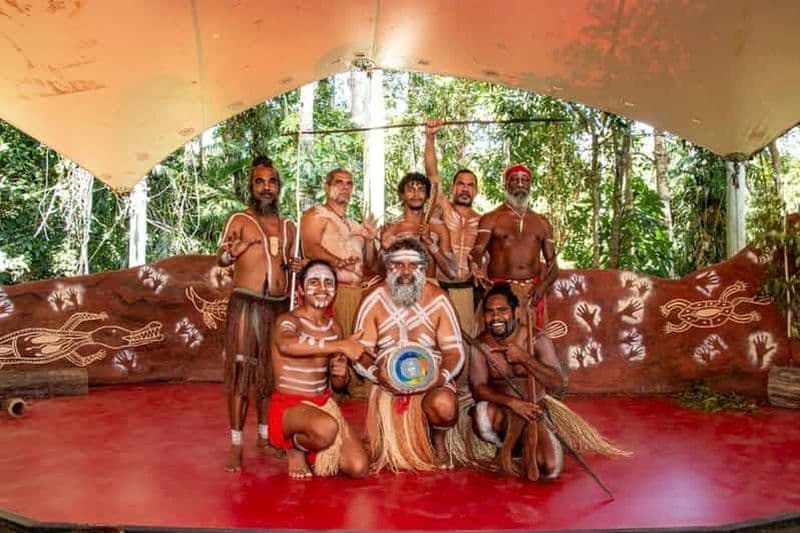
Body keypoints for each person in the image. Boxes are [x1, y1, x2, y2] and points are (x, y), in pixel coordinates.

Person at [354, 238, 465, 470]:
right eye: (398, 264)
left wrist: (441, 377)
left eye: (414, 265)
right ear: (388, 267)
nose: (406, 271)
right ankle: (390, 441)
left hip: (432, 383)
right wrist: (377, 374)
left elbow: (454, 352)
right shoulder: (373, 299)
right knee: (370, 455)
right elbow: (358, 351)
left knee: (444, 405)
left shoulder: (438, 299)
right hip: (387, 386)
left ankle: (438, 441)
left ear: (424, 268)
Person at [217, 156, 297, 472]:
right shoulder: (239, 219)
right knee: (242, 373)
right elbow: (221, 259)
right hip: (247, 304)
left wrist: (298, 267)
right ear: (252, 187)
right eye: (260, 182)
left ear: (279, 187)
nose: (266, 187)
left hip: (279, 305)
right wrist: (232, 253)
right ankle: (236, 444)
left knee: (269, 377)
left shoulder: (290, 226)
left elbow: (293, 263)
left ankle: (264, 438)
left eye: (272, 182)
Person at [269, 260, 371, 479]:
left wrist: (340, 373)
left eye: (328, 283)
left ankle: (312, 445)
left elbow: (338, 386)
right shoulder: (288, 321)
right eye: (314, 282)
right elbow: (287, 344)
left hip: (323, 405)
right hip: (289, 408)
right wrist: (341, 345)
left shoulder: (334, 328)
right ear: (301, 289)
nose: (322, 288)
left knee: (359, 466)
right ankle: (295, 448)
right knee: (327, 428)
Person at [468, 283, 565, 481]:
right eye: (490, 312)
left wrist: (525, 359)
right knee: (481, 415)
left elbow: (557, 384)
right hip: (504, 412)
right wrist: (513, 403)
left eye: (502, 311)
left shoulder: (537, 338)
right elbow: (478, 389)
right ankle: (505, 445)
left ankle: (524, 445)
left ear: (516, 312)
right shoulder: (481, 345)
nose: (495, 318)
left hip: (534, 412)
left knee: (549, 468)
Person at [470, 163, 559, 329]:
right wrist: (476, 266)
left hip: (532, 293)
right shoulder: (491, 218)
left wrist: (543, 286)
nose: (520, 184)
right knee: (496, 343)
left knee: (531, 344)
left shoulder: (542, 222)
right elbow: (477, 250)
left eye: (524, 180)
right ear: (506, 184)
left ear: (530, 185)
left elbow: (553, 265)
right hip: (500, 291)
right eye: (514, 180)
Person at [300, 168, 378, 336]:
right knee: (328, 346)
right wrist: (338, 262)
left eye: (349, 184)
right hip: (328, 294)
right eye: (339, 182)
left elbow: (370, 265)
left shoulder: (355, 225)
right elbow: (311, 249)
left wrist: (370, 241)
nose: (345, 188)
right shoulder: (316, 215)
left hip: (356, 294)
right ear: (326, 187)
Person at [424, 119, 482, 336]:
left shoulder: (482, 221)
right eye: (461, 184)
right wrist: (430, 137)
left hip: (470, 290)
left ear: (475, 191)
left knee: (468, 340)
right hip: (441, 285)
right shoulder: (444, 208)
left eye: (470, 185)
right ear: (453, 187)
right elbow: (432, 174)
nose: (465, 189)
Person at [380, 172, 456, 281]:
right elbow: (379, 271)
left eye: (421, 190)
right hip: (400, 289)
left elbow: (451, 273)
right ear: (402, 195)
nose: (416, 194)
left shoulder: (439, 228)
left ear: (427, 195)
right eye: (410, 190)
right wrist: (385, 250)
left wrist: (430, 243)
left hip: (429, 290)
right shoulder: (392, 228)